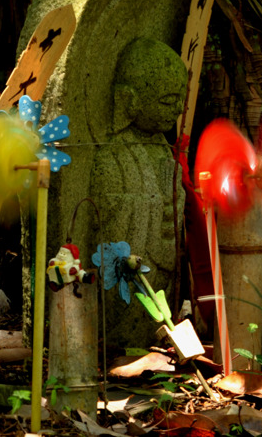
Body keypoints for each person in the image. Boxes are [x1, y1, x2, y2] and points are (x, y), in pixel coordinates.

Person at [90, 37, 187, 345]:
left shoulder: (162, 146)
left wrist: (174, 199)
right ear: (129, 100)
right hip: (135, 259)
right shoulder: (113, 154)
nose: (176, 110)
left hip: (164, 258)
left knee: (161, 305)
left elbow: (174, 202)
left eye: (179, 101)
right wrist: (152, 203)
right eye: (167, 101)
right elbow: (108, 215)